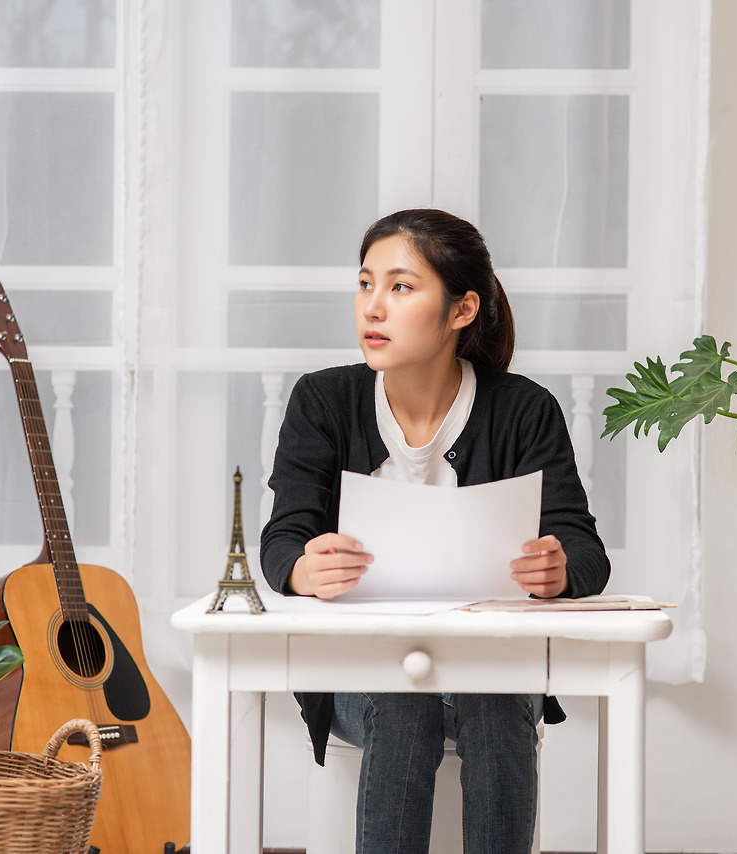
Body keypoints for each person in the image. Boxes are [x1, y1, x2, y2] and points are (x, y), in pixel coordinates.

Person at [260, 208, 610, 854]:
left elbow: (584, 547)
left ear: (461, 309)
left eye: (400, 287)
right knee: (403, 701)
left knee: (494, 692)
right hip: (359, 675)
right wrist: (305, 568)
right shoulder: (323, 401)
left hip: (490, 666)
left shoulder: (524, 410)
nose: (373, 308)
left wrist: (560, 568)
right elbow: (283, 538)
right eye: (365, 284)